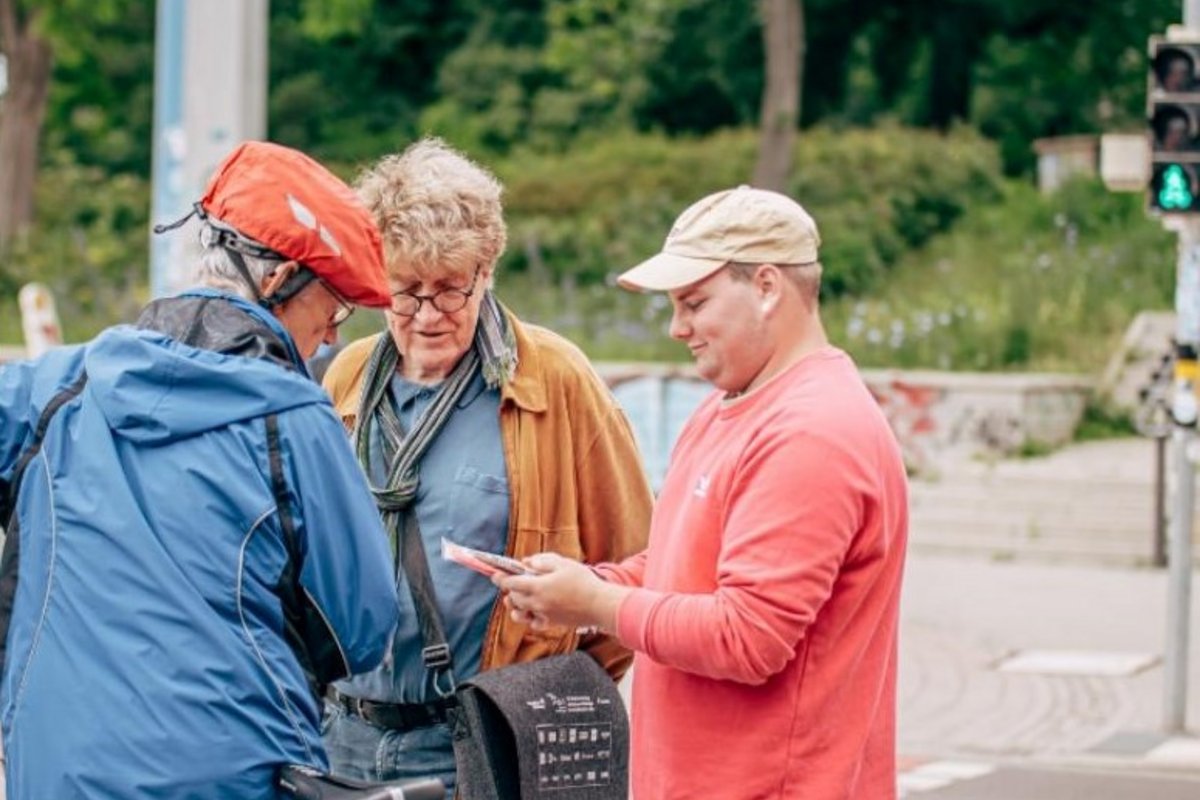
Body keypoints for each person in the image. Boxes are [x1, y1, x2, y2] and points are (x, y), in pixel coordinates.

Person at [0, 141, 402, 800]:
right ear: (277, 280)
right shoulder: (295, 422)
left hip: (56, 773)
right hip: (233, 778)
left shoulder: (56, 389)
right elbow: (360, 631)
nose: (332, 336)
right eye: (332, 308)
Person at [497, 185, 910, 800]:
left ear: (766, 287)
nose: (677, 328)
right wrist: (580, 588)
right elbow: (681, 567)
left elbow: (748, 637)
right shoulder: (728, 407)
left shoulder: (812, 430)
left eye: (694, 303)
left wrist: (597, 604)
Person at [319, 137, 652, 792]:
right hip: (345, 738)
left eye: (450, 290)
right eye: (405, 292)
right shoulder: (348, 376)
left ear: (486, 272)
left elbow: (636, 568)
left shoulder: (554, 380)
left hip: (475, 742)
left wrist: (538, 697)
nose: (427, 316)